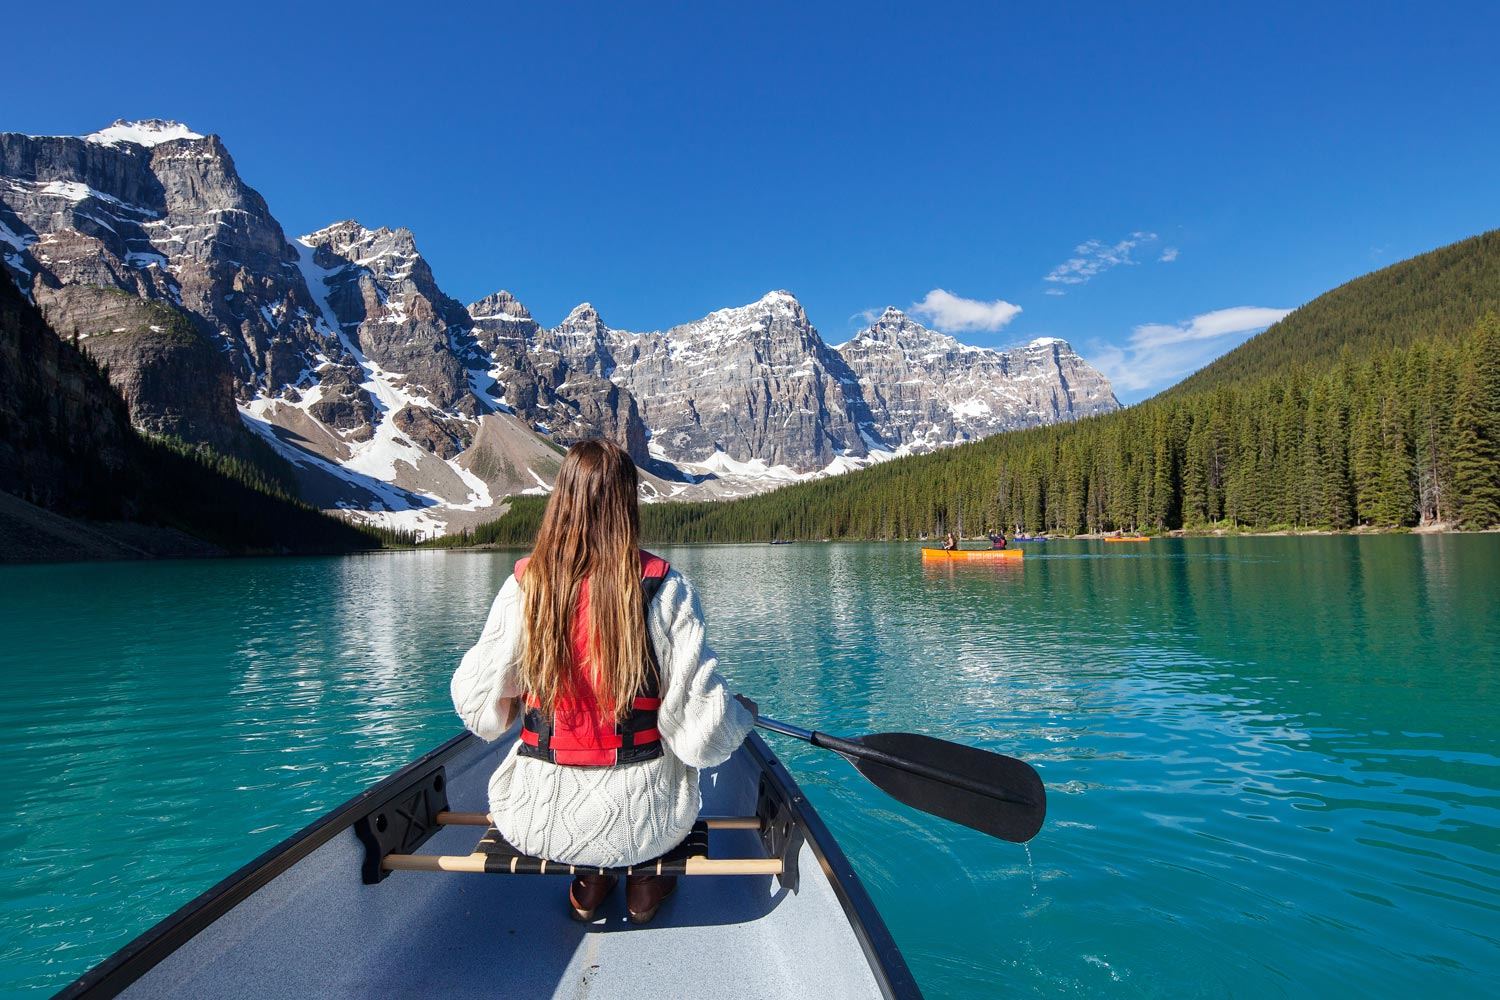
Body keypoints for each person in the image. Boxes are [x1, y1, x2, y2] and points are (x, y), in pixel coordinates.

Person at [451, 440, 757, 924]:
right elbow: (703, 735)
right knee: (673, 754)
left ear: (562, 499)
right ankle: (644, 884)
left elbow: (476, 705)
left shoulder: (525, 586)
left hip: (534, 820)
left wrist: (509, 705)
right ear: (626, 503)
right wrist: (743, 714)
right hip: (647, 826)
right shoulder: (664, 586)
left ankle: (591, 883)